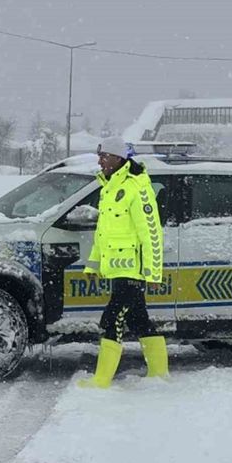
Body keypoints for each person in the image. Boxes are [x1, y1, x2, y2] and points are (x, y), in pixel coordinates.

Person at [77, 138, 168, 389]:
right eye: (100, 156)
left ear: (119, 159)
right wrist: (93, 265)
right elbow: (103, 234)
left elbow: (151, 232)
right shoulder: (108, 188)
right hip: (116, 268)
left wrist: (152, 272)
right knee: (139, 320)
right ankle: (159, 374)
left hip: (133, 270)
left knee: (112, 318)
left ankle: (101, 380)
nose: (100, 161)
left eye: (105, 156)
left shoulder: (137, 187)